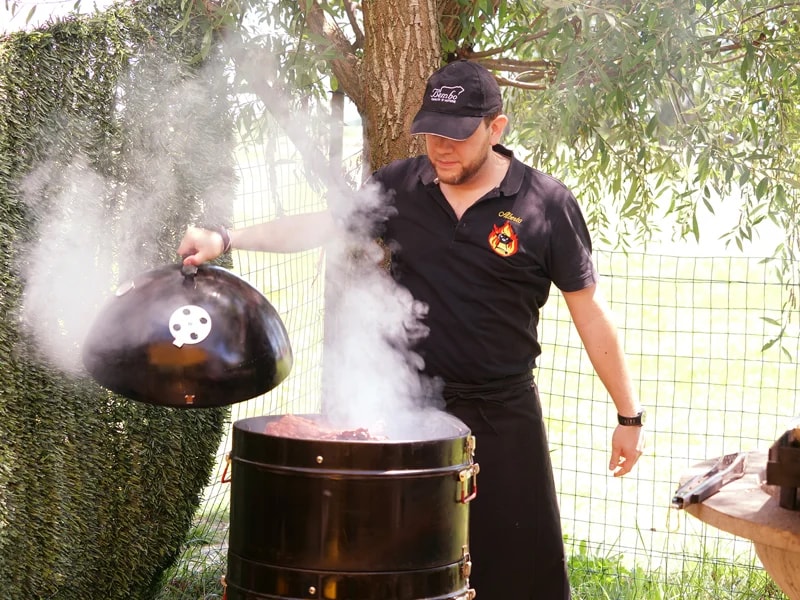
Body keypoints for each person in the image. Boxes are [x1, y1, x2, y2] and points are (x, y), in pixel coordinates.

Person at [179, 59, 646, 600]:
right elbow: (322, 225)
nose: (441, 148)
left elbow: (590, 312)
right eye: (432, 133)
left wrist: (628, 415)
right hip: (404, 411)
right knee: (396, 570)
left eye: (457, 135)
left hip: (502, 415)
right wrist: (226, 238)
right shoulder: (399, 185)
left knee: (519, 573)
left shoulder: (545, 204)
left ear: (496, 128)